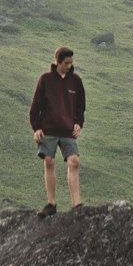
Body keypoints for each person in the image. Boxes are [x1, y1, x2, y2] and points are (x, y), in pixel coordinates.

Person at [29, 45, 85, 216]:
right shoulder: (45, 79)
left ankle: (77, 205)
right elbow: (35, 106)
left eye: (71, 63)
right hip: (49, 129)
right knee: (49, 161)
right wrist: (37, 128)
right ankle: (51, 204)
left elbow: (80, 106)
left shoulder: (76, 81)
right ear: (58, 62)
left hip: (68, 130)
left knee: (74, 161)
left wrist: (78, 123)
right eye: (66, 63)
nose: (69, 66)